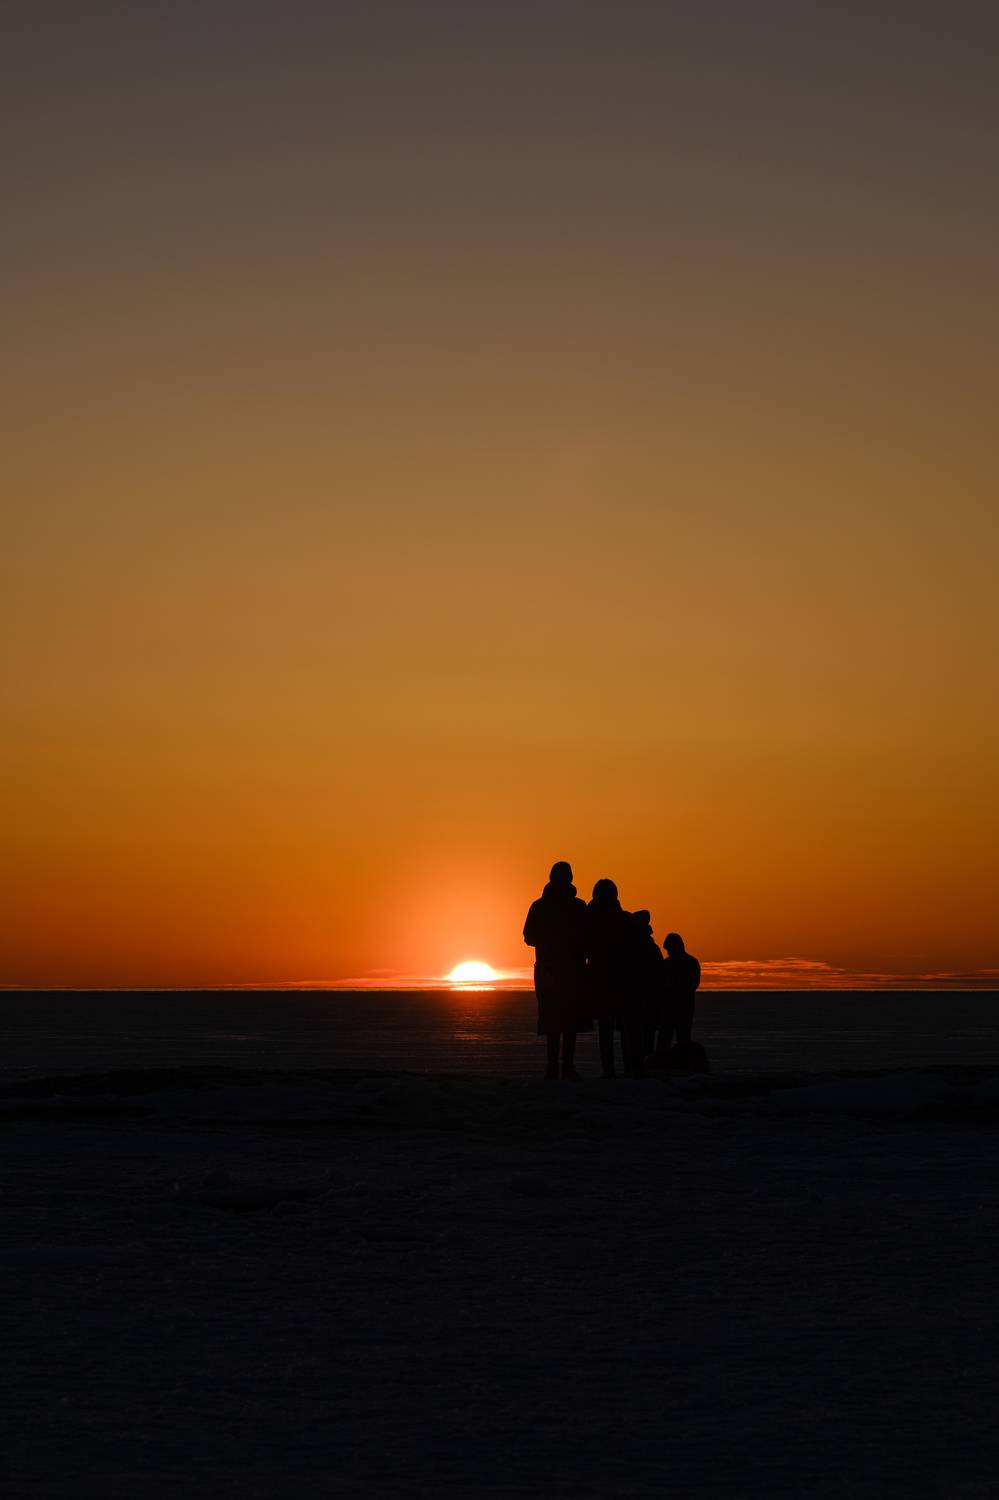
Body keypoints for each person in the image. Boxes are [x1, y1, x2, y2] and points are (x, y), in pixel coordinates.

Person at [523, 861, 590, 1078]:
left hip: (550, 972)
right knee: (568, 1021)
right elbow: (589, 938)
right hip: (570, 972)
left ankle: (553, 1066)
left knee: (553, 1020)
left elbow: (528, 936)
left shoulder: (540, 906)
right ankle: (566, 1067)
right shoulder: (578, 907)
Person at [585, 879, 633, 1077]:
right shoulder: (624, 919)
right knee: (623, 1025)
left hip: (601, 979)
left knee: (606, 1027)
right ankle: (628, 1068)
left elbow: (582, 948)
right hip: (621, 979)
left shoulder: (588, 920)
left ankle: (609, 1070)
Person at [658, 932, 701, 1061]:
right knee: (668, 1038)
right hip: (675, 1008)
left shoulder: (688, 963)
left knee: (679, 1038)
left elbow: (692, 984)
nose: (668, 953)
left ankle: (679, 1061)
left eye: (669, 950)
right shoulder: (689, 962)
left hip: (680, 1008)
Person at [629, 910, 664, 1063]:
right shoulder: (650, 947)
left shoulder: (636, 947)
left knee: (640, 1032)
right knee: (645, 1032)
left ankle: (641, 1063)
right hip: (647, 995)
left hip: (642, 996)